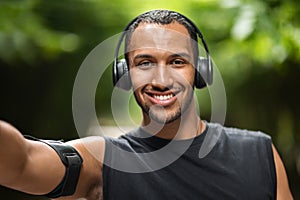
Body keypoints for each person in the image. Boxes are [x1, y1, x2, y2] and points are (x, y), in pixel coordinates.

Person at [0, 10, 293, 200]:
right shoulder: (104, 162)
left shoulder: (259, 152)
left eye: (177, 62)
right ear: (125, 75)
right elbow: (23, 162)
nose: (161, 78)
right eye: (145, 63)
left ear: (200, 72)